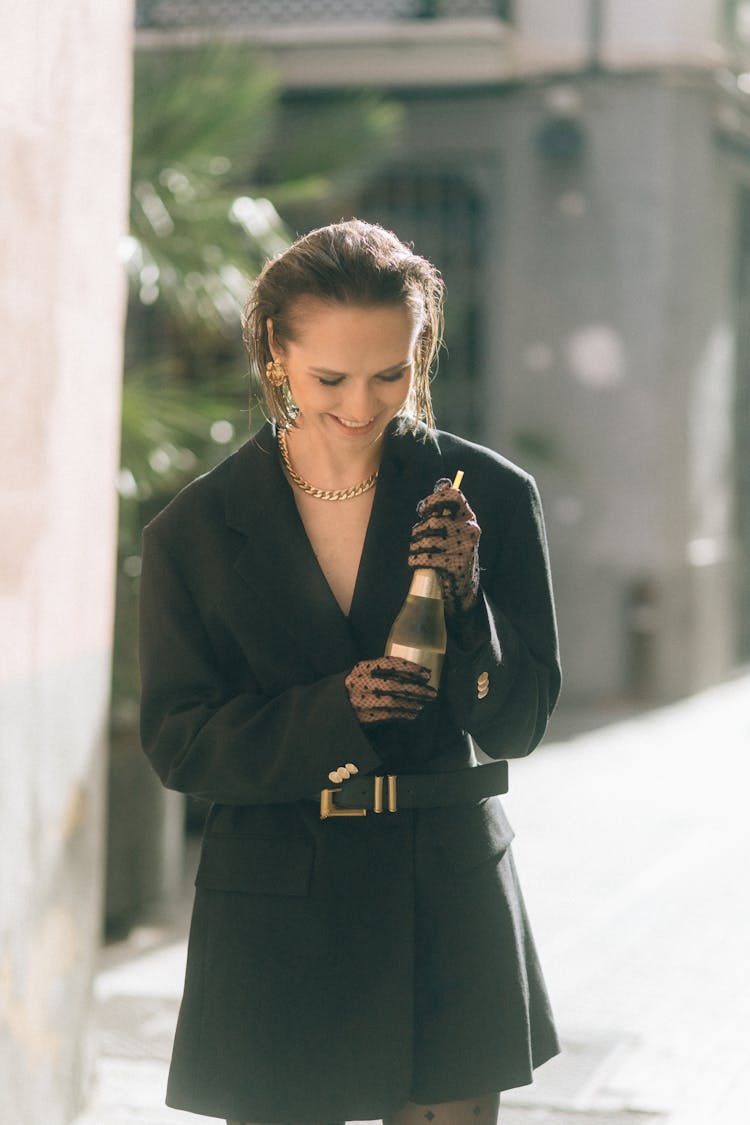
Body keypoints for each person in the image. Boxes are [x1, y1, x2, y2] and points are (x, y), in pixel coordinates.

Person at [139, 219, 562, 1125]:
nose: (363, 406)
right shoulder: (196, 531)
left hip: (445, 883)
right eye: (331, 377)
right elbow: (178, 743)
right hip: (277, 900)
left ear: (423, 351)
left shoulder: (487, 495)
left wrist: (469, 597)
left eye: (392, 373)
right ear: (275, 354)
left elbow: (520, 722)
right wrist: (337, 712)